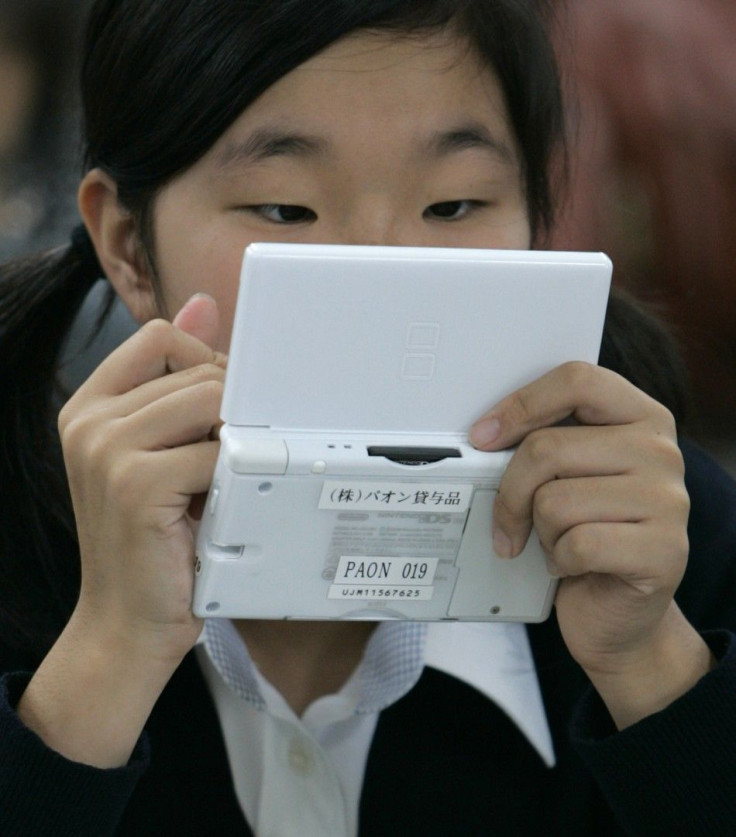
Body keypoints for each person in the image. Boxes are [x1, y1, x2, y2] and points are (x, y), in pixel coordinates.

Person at [0, 1, 734, 834]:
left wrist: (650, 665)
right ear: (130, 247)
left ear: (538, 223)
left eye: (454, 206)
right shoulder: (19, 553)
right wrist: (107, 657)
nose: (387, 273)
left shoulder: (670, 552)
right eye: (285, 210)